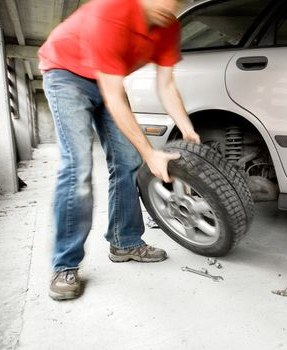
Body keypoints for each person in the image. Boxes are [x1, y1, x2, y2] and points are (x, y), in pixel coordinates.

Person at [39, 0, 199, 301]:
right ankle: (65, 264)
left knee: (128, 160)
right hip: (65, 74)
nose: (170, 5)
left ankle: (124, 241)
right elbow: (113, 97)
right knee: (78, 169)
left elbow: (166, 85)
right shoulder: (112, 11)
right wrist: (152, 153)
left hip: (107, 79)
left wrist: (187, 127)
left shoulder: (169, 25)